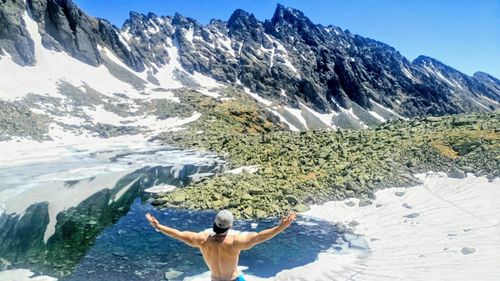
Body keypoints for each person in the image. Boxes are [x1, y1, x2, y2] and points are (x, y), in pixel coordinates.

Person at [145, 210, 297, 281]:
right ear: (230, 226)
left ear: (214, 224)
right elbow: (260, 237)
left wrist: (158, 226)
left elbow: (177, 233)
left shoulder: (201, 240)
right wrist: (280, 227)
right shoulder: (235, 242)